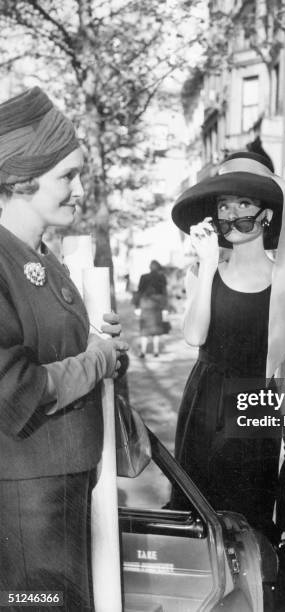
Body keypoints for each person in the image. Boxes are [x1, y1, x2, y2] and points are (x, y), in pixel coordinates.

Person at [171, 151, 285, 610]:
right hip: (204, 408)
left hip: (254, 415)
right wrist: (204, 268)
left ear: (267, 213)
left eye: (243, 203)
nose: (232, 215)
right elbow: (194, 334)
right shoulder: (207, 269)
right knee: (198, 518)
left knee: (248, 528)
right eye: (224, 205)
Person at [0, 87, 128, 611]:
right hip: (29, 498)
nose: (80, 190)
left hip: (64, 484)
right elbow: (14, 387)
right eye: (66, 176)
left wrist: (102, 343)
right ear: (21, 178)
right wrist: (96, 358)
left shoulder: (43, 258)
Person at [133, 259, 168, 357]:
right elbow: (165, 293)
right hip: (157, 306)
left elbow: (139, 292)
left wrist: (137, 306)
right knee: (156, 330)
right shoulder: (162, 277)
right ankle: (156, 351)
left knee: (144, 330)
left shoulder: (143, 277)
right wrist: (165, 308)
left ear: (150, 267)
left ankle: (143, 352)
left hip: (145, 306)